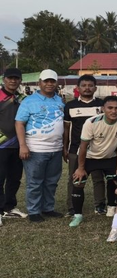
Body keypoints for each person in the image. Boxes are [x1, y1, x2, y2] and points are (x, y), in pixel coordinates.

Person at [69, 96, 117, 227]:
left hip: (109, 157)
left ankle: (114, 209)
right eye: (110, 108)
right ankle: (77, 215)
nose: (114, 111)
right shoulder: (91, 122)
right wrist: (80, 168)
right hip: (89, 158)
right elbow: (83, 146)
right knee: (78, 182)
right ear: (103, 109)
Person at [14, 69, 65, 223]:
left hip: (56, 149)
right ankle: (34, 211)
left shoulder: (59, 100)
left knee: (51, 181)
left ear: (56, 83)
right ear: (39, 83)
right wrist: (23, 145)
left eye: (52, 81)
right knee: (35, 182)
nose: (49, 84)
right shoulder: (29, 101)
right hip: (35, 149)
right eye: (46, 81)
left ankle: (48, 208)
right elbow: (19, 123)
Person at [63, 74, 105, 216]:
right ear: (78, 88)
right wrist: (65, 148)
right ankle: (72, 207)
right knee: (74, 178)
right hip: (76, 148)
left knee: (98, 178)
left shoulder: (102, 105)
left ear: (95, 88)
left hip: (97, 149)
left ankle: (100, 205)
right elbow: (66, 129)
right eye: (84, 86)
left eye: (90, 86)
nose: (87, 88)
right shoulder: (70, 106)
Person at [0, 68, 26, 220]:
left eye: (16, 78)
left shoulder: (22, 98)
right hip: (1, 146)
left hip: (18, 146)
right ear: (4, 79)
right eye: (10, 78)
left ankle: (9, 207)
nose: (13, 81)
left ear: (20, 80)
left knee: (14, 178)